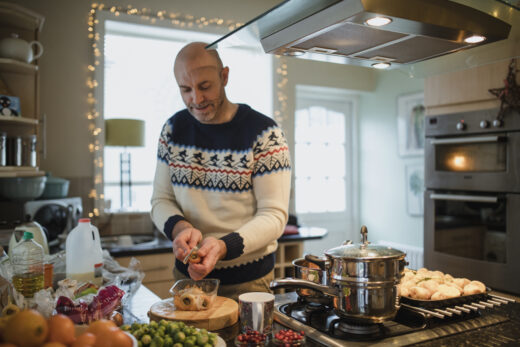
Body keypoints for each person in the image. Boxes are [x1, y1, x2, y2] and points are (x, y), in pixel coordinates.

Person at [150, 42, 291, 301]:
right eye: (186, 89)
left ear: (224, 76)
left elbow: (274, 216)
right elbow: (161, 200)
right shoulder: (172, 129)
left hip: (249, 283)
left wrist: (225, 246)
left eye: (205, 86)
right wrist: (179, 228)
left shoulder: (264, 134)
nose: (196, 99)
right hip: (188, 279)